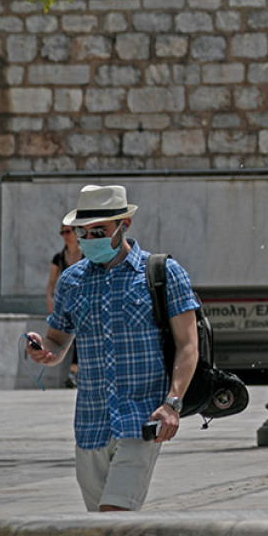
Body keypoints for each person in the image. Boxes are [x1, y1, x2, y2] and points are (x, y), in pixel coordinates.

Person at [26, 184, 200, 512]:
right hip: (90, 424)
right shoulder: (71, 281)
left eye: (99, 231)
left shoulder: (163, 273)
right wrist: (44, 350)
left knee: (114, 515)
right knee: (102, 533)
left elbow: (188, 344)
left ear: (124, 226)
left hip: (142, 419)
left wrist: (172, 404)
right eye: (83, 232)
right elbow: (59, 340)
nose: (89, 239)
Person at [47, 224, 83, 387]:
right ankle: (73, 371)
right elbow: (52, 283)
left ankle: (74, 371)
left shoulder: (86, 255)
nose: (65, 236)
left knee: (78, 334)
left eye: (68, 232)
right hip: (66, 304)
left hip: (82, 302)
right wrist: (50, 300)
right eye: (62, 232)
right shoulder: (60, 257)